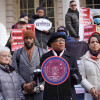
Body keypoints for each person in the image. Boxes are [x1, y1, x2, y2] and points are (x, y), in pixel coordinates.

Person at [40, 32, 82, 100]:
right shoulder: (45, 57)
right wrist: (39, 75)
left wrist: (75, 77)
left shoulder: (71, 57)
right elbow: (42, 77)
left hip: (67, 95)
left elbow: (78, 78)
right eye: (58, 41)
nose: (61, 42)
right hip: (51, 95)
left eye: (63, 40)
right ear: (51, 44)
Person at [12, 30, 46, 100]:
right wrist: (24, 84)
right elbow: (14, 71)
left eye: (30, 38)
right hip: (23, 90)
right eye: (26, 38)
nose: (28, 40)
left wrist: (34, 83)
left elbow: (45, 69)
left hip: (38, 89)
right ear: (23, 40)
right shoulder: (17, 53)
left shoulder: (42, 52)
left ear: (34, 39)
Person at [79, 34, 100, 100]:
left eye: (97, 42)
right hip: (90, 94)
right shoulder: (84, 59)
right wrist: (91, 88)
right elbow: (82, 77)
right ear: (89, 45)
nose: (95, 44)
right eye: (92, 42)